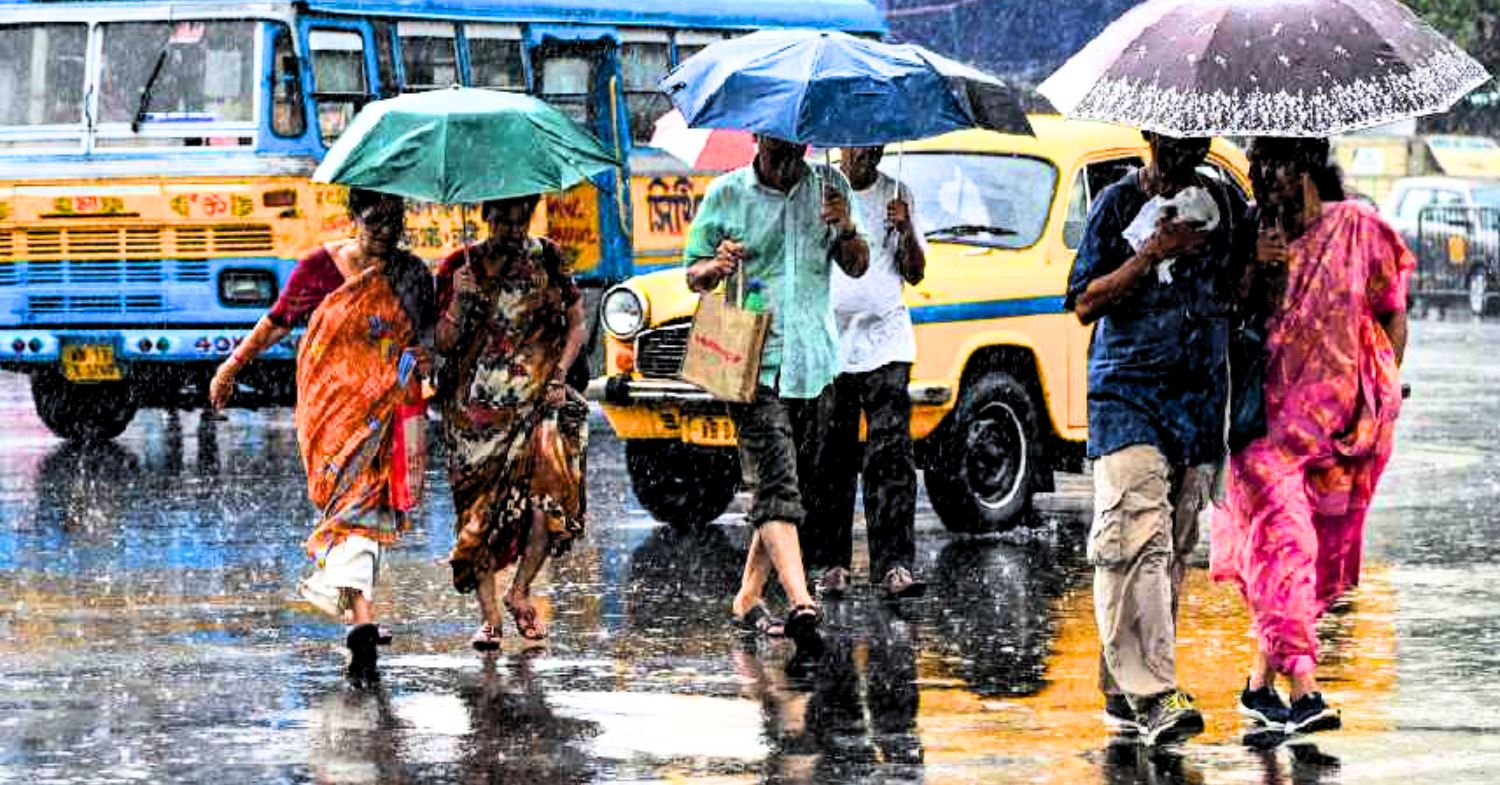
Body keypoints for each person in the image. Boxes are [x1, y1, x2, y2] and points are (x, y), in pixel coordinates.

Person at [1211, 137, 1411, 735]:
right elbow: (1224, 313)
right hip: (1261, 432)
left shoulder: (1356, 229)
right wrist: (1258, 268)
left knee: (1303, 566)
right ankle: (1305, 690)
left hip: (1337, 432)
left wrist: (1385, 385)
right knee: (1289, 544)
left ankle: (1257, 687)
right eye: (1256, 163)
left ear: (1305, 166)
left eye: (1275, 162)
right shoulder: (1243, 236)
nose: (1263, 174)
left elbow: (1391, 307)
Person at [209, 187, 436, 686]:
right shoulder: (319, 268)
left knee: (363, 513)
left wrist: (427, 359)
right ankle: (362, 619)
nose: (382, 233)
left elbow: (429, 340)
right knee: (352, 513)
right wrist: (231, 366)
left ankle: (362, 624)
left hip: (385, 412)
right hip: (330, 414)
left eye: (393, 222)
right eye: (373, 220)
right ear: (353, 217)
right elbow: (276, 323)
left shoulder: (413, 276)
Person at [1066, 132, 1243, 745]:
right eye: (1173, 139)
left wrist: (1266, 263)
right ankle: (1156, 691)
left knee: (1167, 551)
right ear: (1149, 135)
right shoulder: (1115, 204)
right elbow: (1085, 301)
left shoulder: (1225, 205)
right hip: (1127, 397)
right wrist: (1151, 252)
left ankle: (1123, 685)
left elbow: (1241, 297)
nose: (1185, 150)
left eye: (1196, 140)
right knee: (1134, 538)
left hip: (1196, 405)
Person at [684, 135, 869, 652]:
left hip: (815, 362)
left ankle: (747, 595)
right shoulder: (726, 194)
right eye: (777, 141)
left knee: (789, 492)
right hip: (752, 365)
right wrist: (715, 267)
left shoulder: (831, 188)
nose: (789, 152)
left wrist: (847, 227)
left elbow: (857, 265)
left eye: (797, 142)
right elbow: (692, 273)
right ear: (757, 138)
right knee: (775, 486)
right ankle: (802, 603)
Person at [435, 194, 589, 649]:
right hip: (474, 415)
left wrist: (560, 376)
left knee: (549, 501)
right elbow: (442, 343)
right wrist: (458, 303)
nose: (511, 229)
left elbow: (577, 323)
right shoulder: (457, 266)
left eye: (520, 219)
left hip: (540, 405)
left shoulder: (548, 256)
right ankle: (489, 619)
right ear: (485, 215)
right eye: (502, 219)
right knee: (478, 516)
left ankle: (520, 592)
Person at [802, 145, 927, 599]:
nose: (866, 154)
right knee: (829, 458)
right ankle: (830, 564)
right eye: (858, 145)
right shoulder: (818, 190)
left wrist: (906, 229)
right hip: (830, 345)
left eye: (874, 144)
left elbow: (915, 273)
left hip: (888, 343)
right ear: (842, 146)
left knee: (890, 457)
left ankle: (894, 565)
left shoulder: (898, 193)